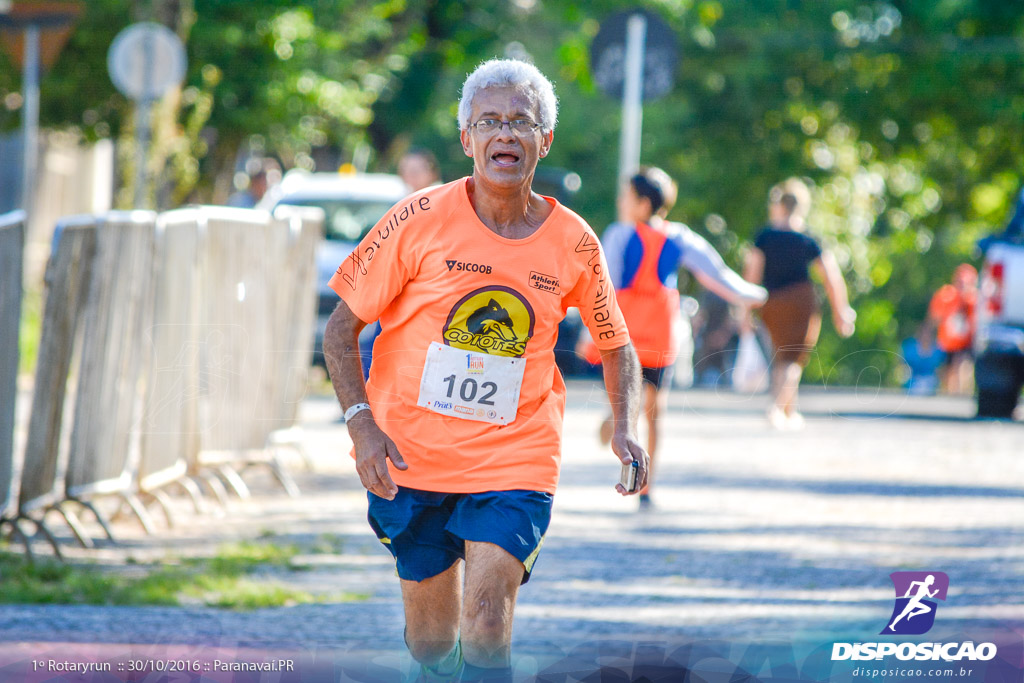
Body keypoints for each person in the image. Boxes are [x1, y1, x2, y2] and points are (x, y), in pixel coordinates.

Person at [322, 59, 649, 682]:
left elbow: (616, 343)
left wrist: (625, 425)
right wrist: (362, 425)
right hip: (409, 457)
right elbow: (341, 329)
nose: (506, 134)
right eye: (489, 122)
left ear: (543, 140)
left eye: (521, 122)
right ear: (466, 137)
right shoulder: (417, 219)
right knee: (430, 642)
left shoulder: (574, 241)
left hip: (515, 459)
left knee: (490, 625)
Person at [580, 167, 767, 509]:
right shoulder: (677, 237)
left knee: (636, 404)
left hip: (628, 331)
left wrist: (586, 332)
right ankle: (645, 480)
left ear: (642, 203)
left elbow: (600, 286)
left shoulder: (620, 235)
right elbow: (718, 274)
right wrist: (752, 295)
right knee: (655, 411)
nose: (621, 201)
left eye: (627, 195)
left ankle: (628, 447)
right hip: (657, 331)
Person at [743, 178, 856, 430]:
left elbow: (752, 272)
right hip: (801, 301)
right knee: (792, 359)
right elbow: (831, 277)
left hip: (771, 301)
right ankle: (776, 408)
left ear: (779, 204)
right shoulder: (808, 238)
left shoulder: (764, 236)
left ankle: (788, 410)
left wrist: (745, 309)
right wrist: (841, 312)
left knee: (779, 354)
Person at [927, 263, 977, 395]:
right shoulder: (946, 296)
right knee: (947, 370)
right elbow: (934, 317)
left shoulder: (974, 299)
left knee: (964, 366)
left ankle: (963, 394)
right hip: (948, 342)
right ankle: (950, 395)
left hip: (967, 342)